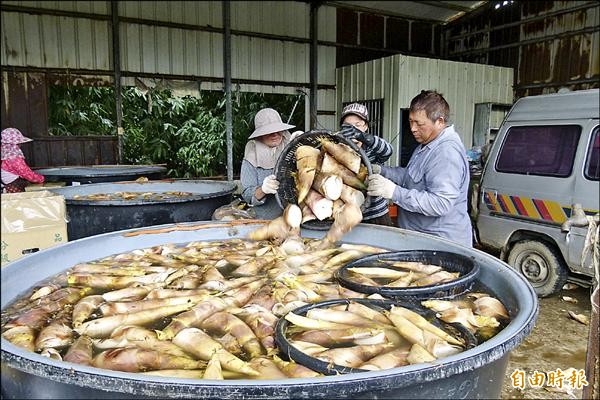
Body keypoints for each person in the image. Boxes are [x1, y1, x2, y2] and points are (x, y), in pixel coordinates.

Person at [366, 90, 472, 247]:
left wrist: (394, 192)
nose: (413, 129)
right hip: (420, 239)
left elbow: (440, 203)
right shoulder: (426, 144)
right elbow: (411, 178)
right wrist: (382, 171)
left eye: (419, 123)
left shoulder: (446, 152)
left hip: (440, 244)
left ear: (440, 121)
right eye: (410, 122)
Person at [339, 103, 394, 226]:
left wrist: (362, 137)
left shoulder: (372, 148)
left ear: (366, 127)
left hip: (376, 214)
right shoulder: (337, 150)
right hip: (348, 214)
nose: (353, 130)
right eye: (348, 126)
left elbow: (388, 150)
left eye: (358, 125)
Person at [240, 108, 297, 220]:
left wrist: (303, 145)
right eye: (269, 132)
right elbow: (247, 195)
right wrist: (263, 189)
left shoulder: (291, 144)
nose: (275, 134)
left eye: (277, 130)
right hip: (265, 219)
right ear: (260, 135)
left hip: (294, 216)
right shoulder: (251, 156)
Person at [1, 128, 44, 193]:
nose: (20, 145)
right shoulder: (14, 158)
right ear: (15, 144)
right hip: (13, 187)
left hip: (6, 186)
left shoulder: (4, 156)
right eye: (19, 143)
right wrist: (40, 178)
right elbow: (25, 172)